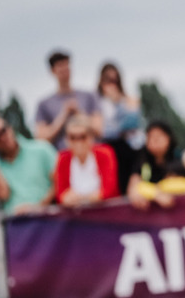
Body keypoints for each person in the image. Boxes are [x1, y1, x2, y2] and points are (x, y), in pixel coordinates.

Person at [127, 121, 185, 209]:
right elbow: (133, 188)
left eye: (159, 136)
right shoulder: (142, 160)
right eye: (150, 137)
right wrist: (155, 194)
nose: (155, 141)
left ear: (168, 137)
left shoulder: (183, 156)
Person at [0, 116, 56, 215]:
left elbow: (59, 183)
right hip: (15, 221)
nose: (2, 137)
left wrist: (38, 208)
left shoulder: (42, 150)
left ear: (10, 128)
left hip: (49, 216)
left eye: (3, 130)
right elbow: (3, 194)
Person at [34, 50, 103, 150]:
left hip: (91, 153)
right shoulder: (44, 104)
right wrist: (63, 115)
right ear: (53, 71)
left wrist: (79, 112)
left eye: (66, 66)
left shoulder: (89, 96)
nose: (64, 71)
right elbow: (41, 139)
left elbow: (99, 130)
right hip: (60, 154)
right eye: (60, 68)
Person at [96, 62, 142, 194]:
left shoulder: (127, 100)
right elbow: (102, 131)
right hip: (108, 148)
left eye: (115, 80)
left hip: (129, 149)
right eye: (108, 80)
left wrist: (117, 103)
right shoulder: (97, 103)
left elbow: (132, 123)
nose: (112, 85)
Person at [55, 114, 120, 207]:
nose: (78, 142)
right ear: (66, 140)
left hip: (104, 210)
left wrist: (83, 198)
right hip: (75, 213)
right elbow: (61, 194)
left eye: (82, 137)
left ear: (91, 137)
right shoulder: (63, 158)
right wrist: (66, 198)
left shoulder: (105, 153)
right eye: (72, 137)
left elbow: (110, 190)